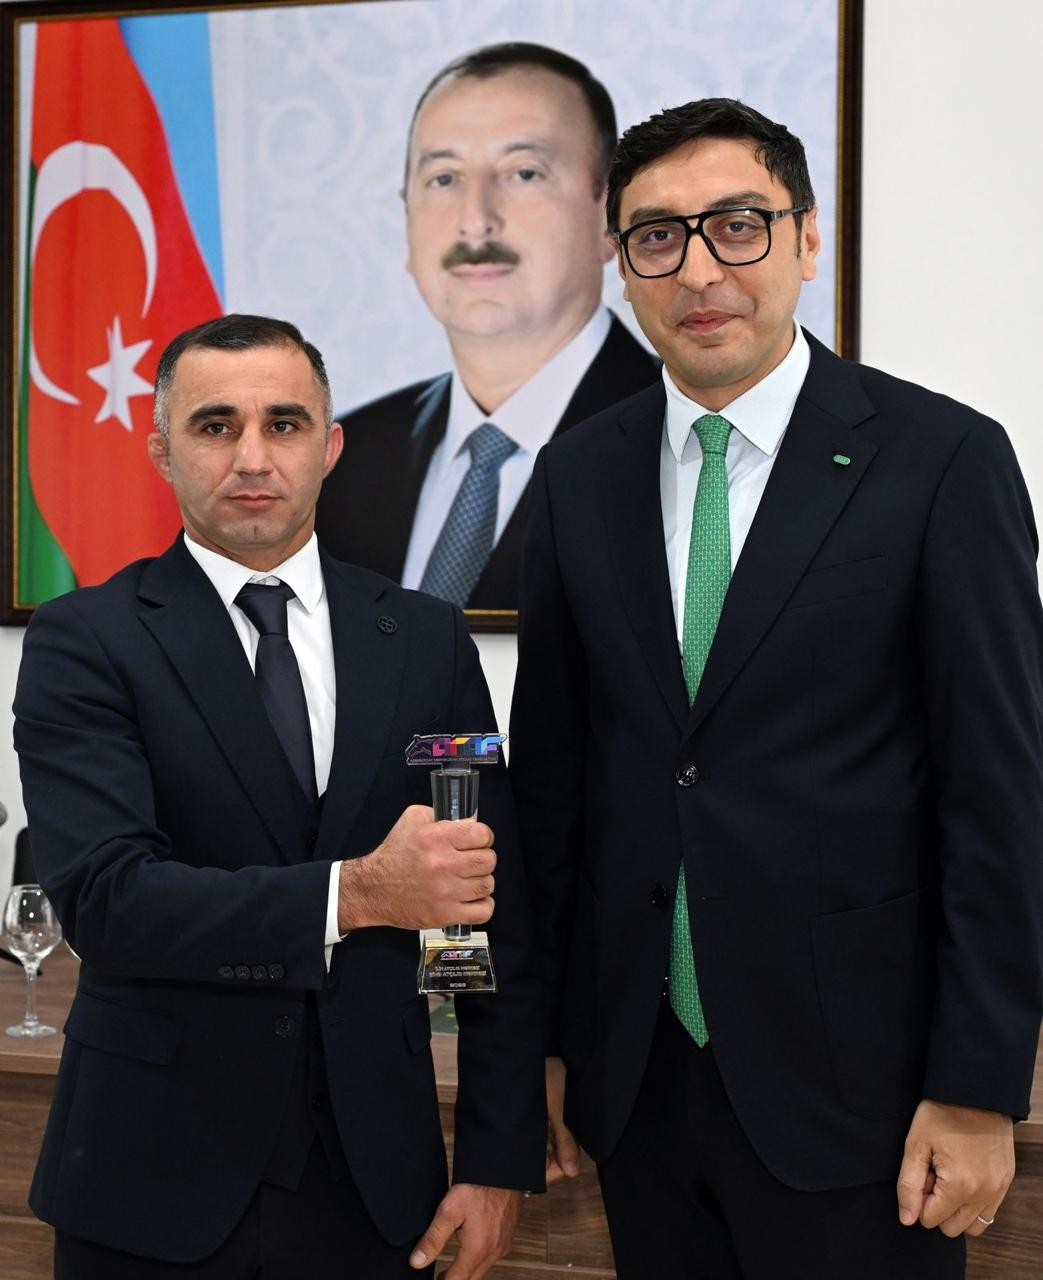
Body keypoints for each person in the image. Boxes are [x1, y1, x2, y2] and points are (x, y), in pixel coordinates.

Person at [509, 98, 1043, 1279]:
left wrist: (975, 1084)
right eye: (657, 237)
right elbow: (550, 783)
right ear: (620, 267)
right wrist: (530, 1043)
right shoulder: (575, 475)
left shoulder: (939, 461)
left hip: (866, 1094)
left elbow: (998, 794)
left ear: (806, 240)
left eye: (737, 225)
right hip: (636, 1081)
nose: (699, 269)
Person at [13, 314, 545, 1279]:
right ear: (162, 451)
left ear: (330, 447)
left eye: (285, 424)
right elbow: (108, 902)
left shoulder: (428, 642)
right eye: (215, 426)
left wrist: (494, 1157)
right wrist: (357, 894)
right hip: (151, 1176)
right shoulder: (84, 641)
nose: (253, 457)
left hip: (379, 1185)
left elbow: (473, 917)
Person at [315, 42, 658, 614]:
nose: (475, 220)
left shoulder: (693, 447)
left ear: (612, 217)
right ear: (407, 216)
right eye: (443, 178)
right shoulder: (335, 465)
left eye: (524, 173)